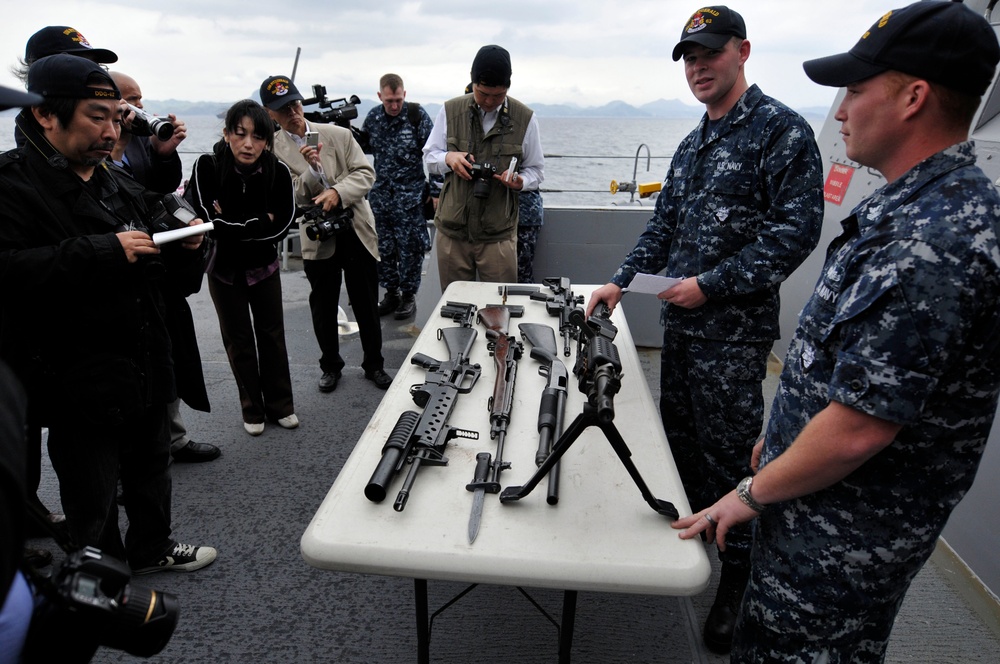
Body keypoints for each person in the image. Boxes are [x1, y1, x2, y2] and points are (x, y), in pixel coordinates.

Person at [673, 2, 1000, 661]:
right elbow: (848, 375)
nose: (842, 109)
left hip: (843, 540)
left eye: (855, 89)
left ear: (913, 97)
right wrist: (786, 431)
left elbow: (859, 427)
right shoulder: (911, 207)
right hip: (811, 505)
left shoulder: (933, 239)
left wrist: (745, 495)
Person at [586, 5, 824, 654]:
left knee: (730, 459)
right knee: (683, 451)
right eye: (689, 58)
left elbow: (795, 233)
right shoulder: (694, 143)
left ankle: (739, 582)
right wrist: (620, 279)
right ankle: (697, 545)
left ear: (742, 52)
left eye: (709, 54)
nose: (698, 67)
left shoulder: (780, 132)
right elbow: (662, 229)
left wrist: (712, 285)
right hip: (682, 330)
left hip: (731, 337)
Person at [0, 55, 216, 574]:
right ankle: (102, 576)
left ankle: (152, 547)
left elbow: (164, 226)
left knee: (151, 464)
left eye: (116, 118)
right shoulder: (11, 185)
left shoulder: (112, 179)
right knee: (90, 480)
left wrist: (187, 239)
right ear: (47, 115)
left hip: (143, 349)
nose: (112, 129)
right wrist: (102, 250)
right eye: (97, 115)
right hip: (75, 367)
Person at [109, 70, 221, 463]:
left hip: (156, 267)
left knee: (166, 352)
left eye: (140, 100)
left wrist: (165, 150)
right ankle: (130, 461)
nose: (138, 109)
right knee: (129, 370)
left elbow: (160, 187)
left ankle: (172, 438)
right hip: (118, 270)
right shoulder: (101, 143)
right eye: (129, 101)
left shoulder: (142, 137)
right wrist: (120, 140)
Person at [261, 75, 392, 393]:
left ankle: (374, 363)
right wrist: (311, 171)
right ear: (270, 115)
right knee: (323, 303)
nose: (293, 112)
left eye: (295, 104)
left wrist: (338, 193)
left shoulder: (338, 134)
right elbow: (289, 195)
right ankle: (330, 366)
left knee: (365, 300)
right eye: (284, 108)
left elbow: (365, 173)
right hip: (317, 232)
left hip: (355, 227)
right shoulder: (272, 152)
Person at [187, 99, 298, 435]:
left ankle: (282, 405)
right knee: (238, 340)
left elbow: (284, 223)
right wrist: (258, 222)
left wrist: (229, 222)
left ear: (267, 140)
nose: (249, 144)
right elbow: (207, 219)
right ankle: (252, 408)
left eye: (258, 137)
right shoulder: (206, 166)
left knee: (272, 335)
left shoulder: (277, 171)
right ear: (226, 134)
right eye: (240, 134)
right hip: (224, 269)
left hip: (264, 267)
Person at [423, 44, 545, 289]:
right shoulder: (450, 110)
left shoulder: (525, 119)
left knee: (499, 311)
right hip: (452, 232)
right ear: (473, 83)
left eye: (498, 96)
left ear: (508, 88)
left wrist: (521, 182)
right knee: (455, 309)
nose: (489, 101)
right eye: (482, 94)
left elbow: (536, 170)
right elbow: (429, 157)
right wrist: (449, 159)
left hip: (497, 235)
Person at [360, 73, 434, 320]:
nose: (394, 105)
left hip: (410, 199)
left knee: (411, 250)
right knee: (384, 248)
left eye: (398, 100)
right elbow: (363, 148)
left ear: (405, 94)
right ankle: (391, 294)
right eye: (389, 100)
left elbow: (434, 155)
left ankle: (408, 297)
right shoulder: (373, 118)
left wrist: (435, 191)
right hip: (381, 198)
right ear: (380, 96)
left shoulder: (417, 116)